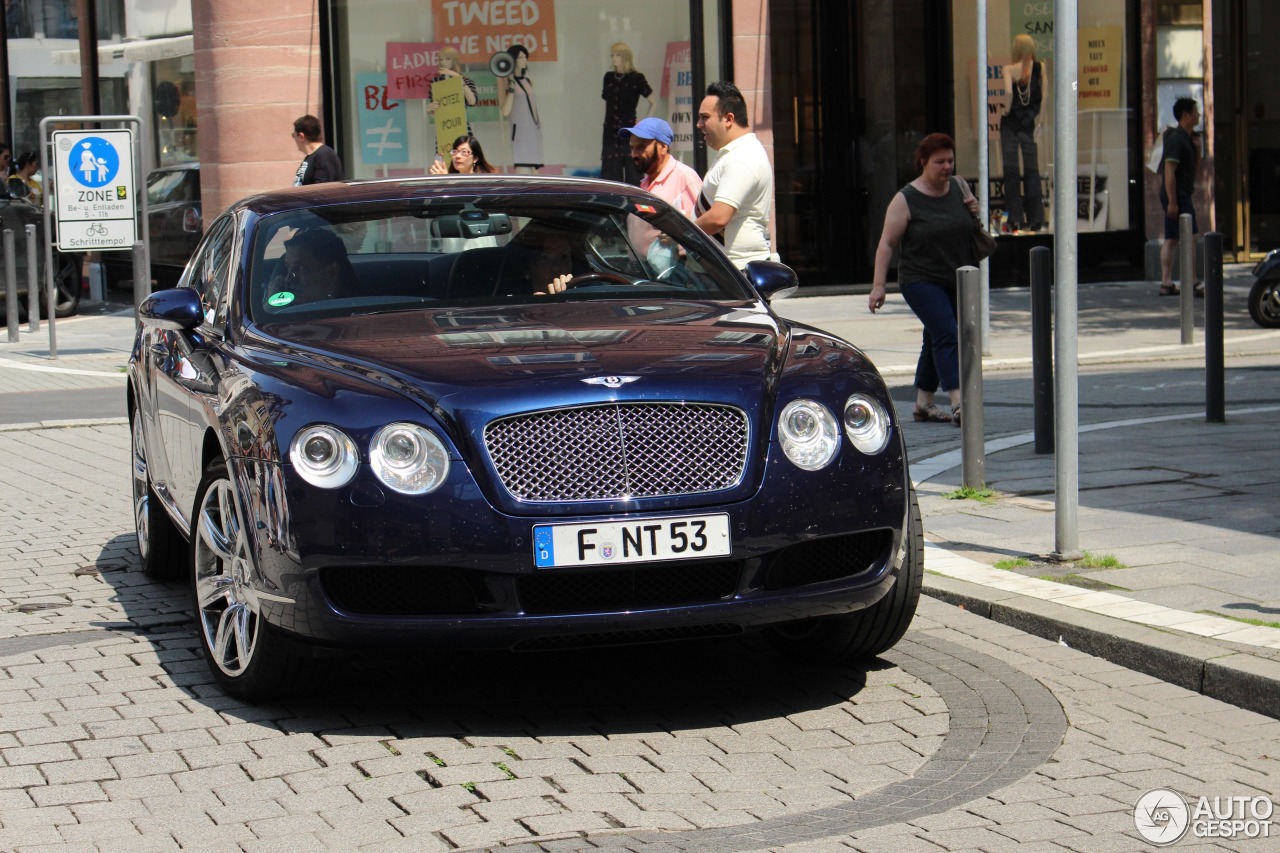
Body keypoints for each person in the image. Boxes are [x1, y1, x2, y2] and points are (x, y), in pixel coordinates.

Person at [868, 133, 979, 426]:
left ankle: (923, 403)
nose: (946, 167)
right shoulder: (906, 199)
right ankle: (958, 402)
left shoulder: (959, 186)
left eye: (950, 160)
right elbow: (887, 244)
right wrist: (879, 285)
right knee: (947, 333)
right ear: (923, 162)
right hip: (920, 279)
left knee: (934, 338)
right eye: (939, 161)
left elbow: (970, 226)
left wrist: (975, 212)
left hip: (956, 276)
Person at [694, 80, 774, 269]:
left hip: (737, 272)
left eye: (705, 117)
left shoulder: (742, 157)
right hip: (728, 271)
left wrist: (680, 233)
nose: (699, 125)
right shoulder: (734, 153)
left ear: (729, 119)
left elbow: (718, 218)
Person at [618, 117, 702, 270]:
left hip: (675, 271)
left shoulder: (684, 176)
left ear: (663, 147)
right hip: (643, 270)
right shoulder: (645, 182)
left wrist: (677, 232)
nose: (634, 154)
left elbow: (702, 222)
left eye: (641, 147)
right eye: (632, 148)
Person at [1000, 34, 1045, 233]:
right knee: (1031, 170)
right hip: (1030, 123)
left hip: (1010, 123)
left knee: (1011, 170)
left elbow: (1009, 93)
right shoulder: (1040, 68)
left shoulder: (1009, 69)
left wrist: (1006, 111)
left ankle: (1015, 218)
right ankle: (1036, 218)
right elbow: (1045, 97)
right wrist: (1040, 122)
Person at [1158, 97, 1202, 298]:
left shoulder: (1188, 139)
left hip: (1181, 193)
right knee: (1188, 237)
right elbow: (1169, 172)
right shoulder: (1176, 139)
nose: (1198, 115)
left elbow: (1195, 170)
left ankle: (1168, 282)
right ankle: (1189, 282)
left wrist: (1198, 149)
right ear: (1185, 115)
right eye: (1195, 112)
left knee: (1173, 238)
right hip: (1176, 194)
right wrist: (1173, 201)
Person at [601, 42, 654, 185]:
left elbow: (653, 101)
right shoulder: (609, 78)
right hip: (611, 133)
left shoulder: (636, 79)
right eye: (612, 55)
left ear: (625, 57)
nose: (614, 59)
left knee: (634, 174)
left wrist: (644, 122)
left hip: (630, 131)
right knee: (610, 177)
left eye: (617, 55)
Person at [269, 228, 359, 306]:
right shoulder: (282, 315)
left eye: (301, 268)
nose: (288, 278)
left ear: (332, 272)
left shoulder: (359, 311)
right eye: (287, 267)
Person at [498, 44, 543, 173]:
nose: (524, 60)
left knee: (535, 171)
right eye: (520, 57)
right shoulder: (504, 81)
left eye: (525, 57)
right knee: (523, 169)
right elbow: (505, 111)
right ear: (513, 60)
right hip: (519, 132)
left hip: (533, 130)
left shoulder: (528, 81)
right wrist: (511, 89)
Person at [427, 46, 479, 136]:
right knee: (444, 149)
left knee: (462, 148)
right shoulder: (435, 82)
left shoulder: (465, 81)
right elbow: (436, 110)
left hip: (461, 126)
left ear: (454, 60)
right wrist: (429, 109)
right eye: (441, 59)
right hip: (443, 128)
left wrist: (458, 79)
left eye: (448, 59)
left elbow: (472, 101)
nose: (444, 62)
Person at [291, 115, 344, 186]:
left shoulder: (325, 155)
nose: (294, 139)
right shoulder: (311, 157)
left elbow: (322, 190)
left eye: (293, 136)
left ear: (301, 136)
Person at [429, 134, 496, 175]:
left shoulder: (482, 181)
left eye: (464, 152)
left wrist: (446, 182)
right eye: (455, 151)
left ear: (475, 158)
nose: (457, 156)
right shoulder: (451, 179)